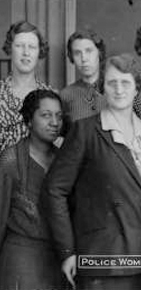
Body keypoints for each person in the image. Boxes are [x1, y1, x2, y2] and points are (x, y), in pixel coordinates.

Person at [44, 54, 141, 290]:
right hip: (100, 261)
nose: (119, 89)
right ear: (102, 88)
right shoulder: (85, 131)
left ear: (136, 88)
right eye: (112, 83)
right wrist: (67, 251)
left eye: (125, 83)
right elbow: (54, 190)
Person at [0, 89, 64, 290]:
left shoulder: (63, 160)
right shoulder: (11, 160)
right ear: (29, 120)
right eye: (46, 115)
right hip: (21, 259)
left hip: (55, 260)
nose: (54, 122)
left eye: (58, 116)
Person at [0, 21, 51, 152]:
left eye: (32, 47)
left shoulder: (49, 97)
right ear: (10, 49)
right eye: (19, 46)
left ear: (39, 51)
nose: (26, 52)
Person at [60, 29, 107, 123]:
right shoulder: (66, 95)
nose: (84, 59)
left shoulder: (116, 89)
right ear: (72, 57)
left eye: (89, 51)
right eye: (77, 53)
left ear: (99, 53)